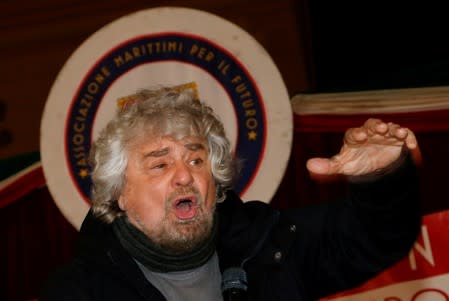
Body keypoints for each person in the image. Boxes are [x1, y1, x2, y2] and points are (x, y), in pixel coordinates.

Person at [40, 85, 421, 301]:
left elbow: (376, 237)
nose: (184, 177)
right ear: (119, 193)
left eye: (196, 160)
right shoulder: (79, 292)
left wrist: (381, 179)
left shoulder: (270, 245)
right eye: (160, 164)